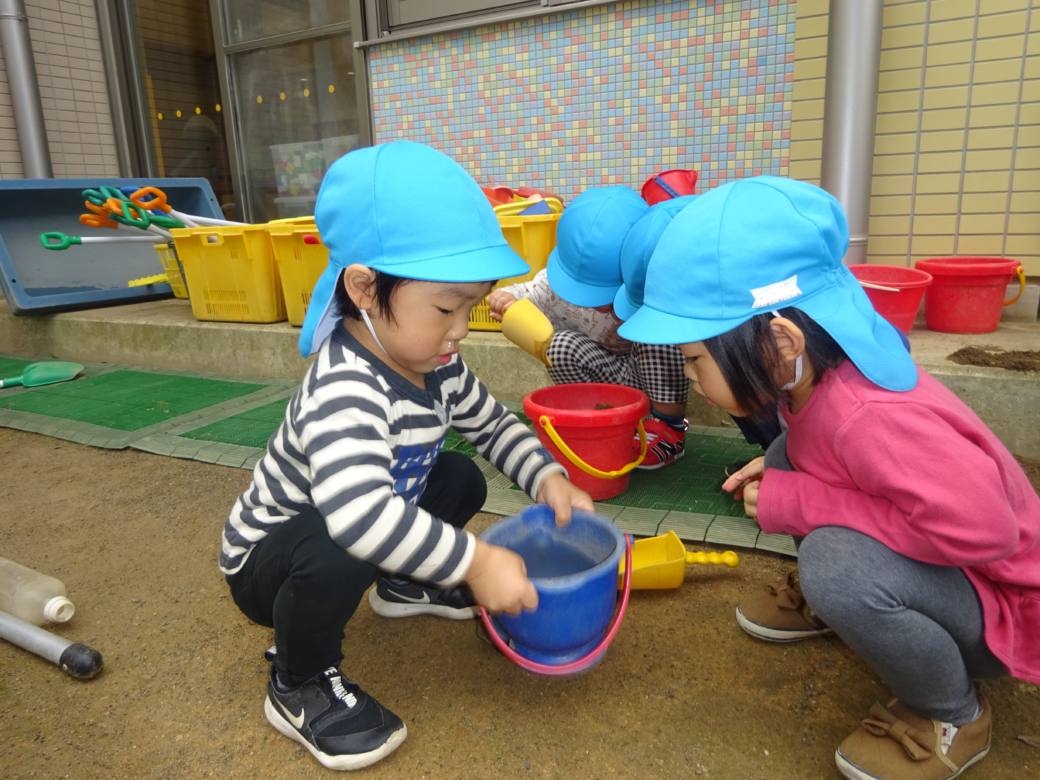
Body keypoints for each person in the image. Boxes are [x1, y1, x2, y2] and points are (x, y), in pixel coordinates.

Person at [618, 175, 1040, 780]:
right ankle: (840, 609)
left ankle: (952, 712)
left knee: (837, 566)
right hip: (961, 581)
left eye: (695, 361)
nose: (691, 379)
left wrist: (804, 502)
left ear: (780, 340)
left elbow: (987, 533)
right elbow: (834, 456)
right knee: (790, 454)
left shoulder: (869, 419)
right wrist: (791, 471)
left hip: (1005, 612)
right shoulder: (816, 373)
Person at [219, 141, 593, 771]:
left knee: (457, 475)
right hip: (271, 561)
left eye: (470, 307)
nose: (460, 328)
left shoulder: (435, 360)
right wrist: (475, 561)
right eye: (447, 307)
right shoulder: (345, 386)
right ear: (365, 288)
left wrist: (548, 477)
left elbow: (494, 426)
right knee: (345, 539)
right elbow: (359, 515)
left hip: (356, 525)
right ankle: (298, 682)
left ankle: (403, 582)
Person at [488, 186, 691, 469]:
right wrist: (506, 300)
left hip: (655, 383)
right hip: (614, 382)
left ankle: (669, 430)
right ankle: (604, 421)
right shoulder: (554, 288)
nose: (598, 304)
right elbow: (528, 292)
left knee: (655, 326)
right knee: (560, 346)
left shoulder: (650, 283)